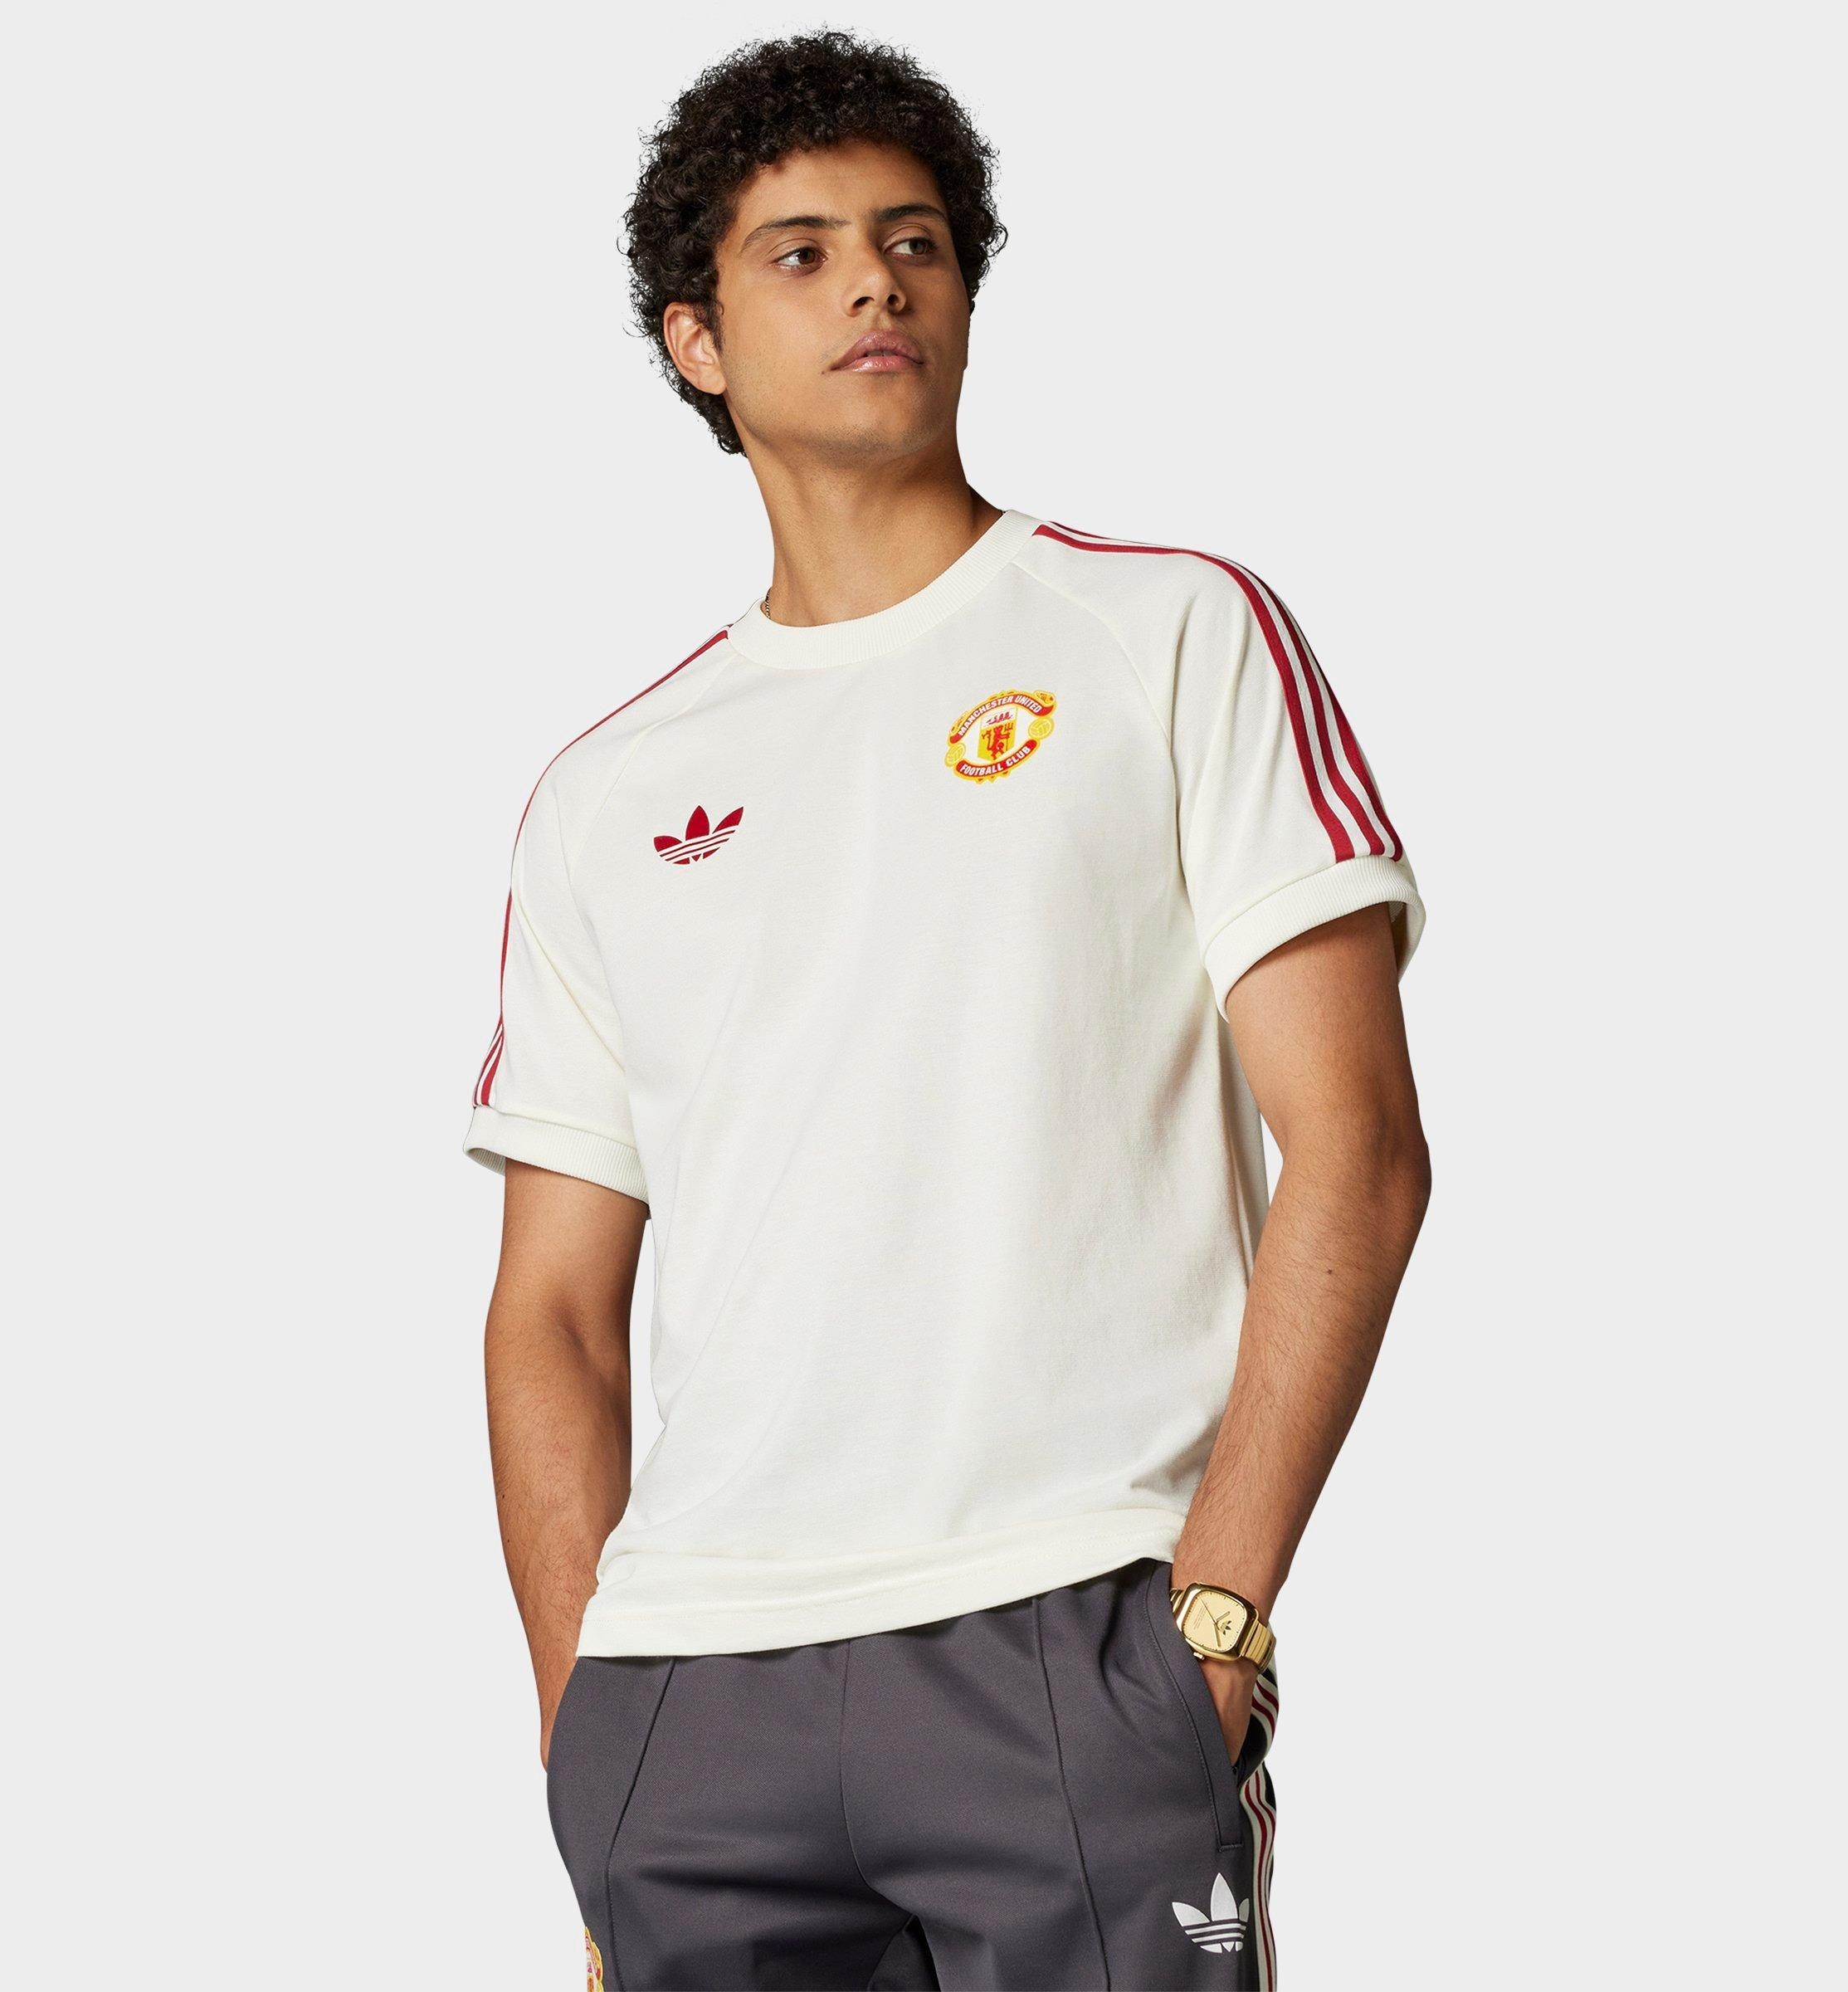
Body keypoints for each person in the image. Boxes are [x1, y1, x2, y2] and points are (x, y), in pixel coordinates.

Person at [464, 30, 1430, 1991]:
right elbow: (551, 1308)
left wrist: (1217, 1622)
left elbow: (1359, 1149)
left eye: (914, 243)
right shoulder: (608, 791)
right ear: (695, 342)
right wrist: (593, 1744)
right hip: (689, 1697)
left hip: (1066, 1629)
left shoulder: (1168, 632)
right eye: (803, 253)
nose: (877, 286)